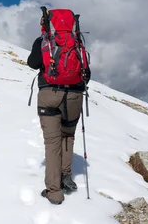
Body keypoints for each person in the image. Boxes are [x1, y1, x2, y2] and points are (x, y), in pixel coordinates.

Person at [26, 11, 91, 205]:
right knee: (68, 136)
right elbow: (86, 72)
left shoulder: (44, 40)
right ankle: (66, 175)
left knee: (52, 143)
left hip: (49, 96)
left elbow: (32, 63)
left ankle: (54, 192)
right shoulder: (77, 42)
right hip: (74, 96)